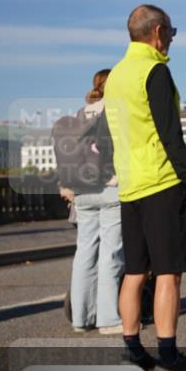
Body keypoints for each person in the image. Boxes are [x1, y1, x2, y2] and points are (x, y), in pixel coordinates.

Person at [105, 5, 186, 371]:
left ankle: (132, 349)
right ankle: (169, 355)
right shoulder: (155, 70)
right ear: (157, 32)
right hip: (160, 182)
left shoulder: (117, 75)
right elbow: (171, 136)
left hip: (130, 186)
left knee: (135, 272)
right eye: (170, 32)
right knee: (168, 272)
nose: (171, 39)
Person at [58, 70, 123, 335]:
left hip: (82, 190)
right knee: (111, 254)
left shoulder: (80, 114)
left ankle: (81, 318)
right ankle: (108, 319)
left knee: (84, 253)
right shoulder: (116, 110)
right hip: (110, 188)